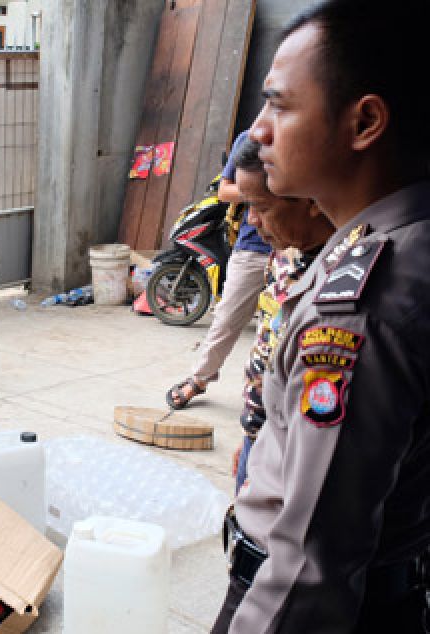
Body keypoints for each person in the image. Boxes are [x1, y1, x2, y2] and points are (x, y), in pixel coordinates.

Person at [212, 1, 430, 631]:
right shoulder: (406, 244)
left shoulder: (364, 303)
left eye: (279, 104)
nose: (258, 131)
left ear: (364, 122)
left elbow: (314, 562)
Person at [225, 138, 333, 494]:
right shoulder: (285, 255)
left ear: (310, 201)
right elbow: (266, 345)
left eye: (260, 206)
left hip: (297, 455)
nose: (251, 220)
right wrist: (251, 433)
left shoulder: (340, 276)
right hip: (263, 436)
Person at [165, 130, 271, 409]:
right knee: (226, 318)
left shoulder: (309, 140)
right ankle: (199, 379)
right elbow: (225, 190)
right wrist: (265, 191)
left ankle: (270, 397)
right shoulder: (250, 139)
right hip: (253, 248)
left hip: (296, 250)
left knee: (278, 330)